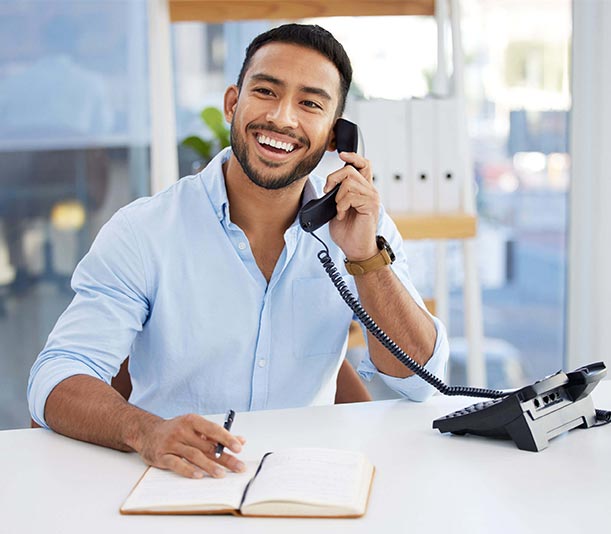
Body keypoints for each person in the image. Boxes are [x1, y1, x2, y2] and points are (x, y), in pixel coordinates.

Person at [28, 24, 448, 480]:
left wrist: (366, 261)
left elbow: (420, 383)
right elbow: (57, 375)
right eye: (266, 91)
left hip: (305, 482)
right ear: (233, 102)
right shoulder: (144, 230)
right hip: (175, 482)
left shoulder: (361, 228)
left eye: (310, 103)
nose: (283, 118)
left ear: (335, 136)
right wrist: (146, 430)